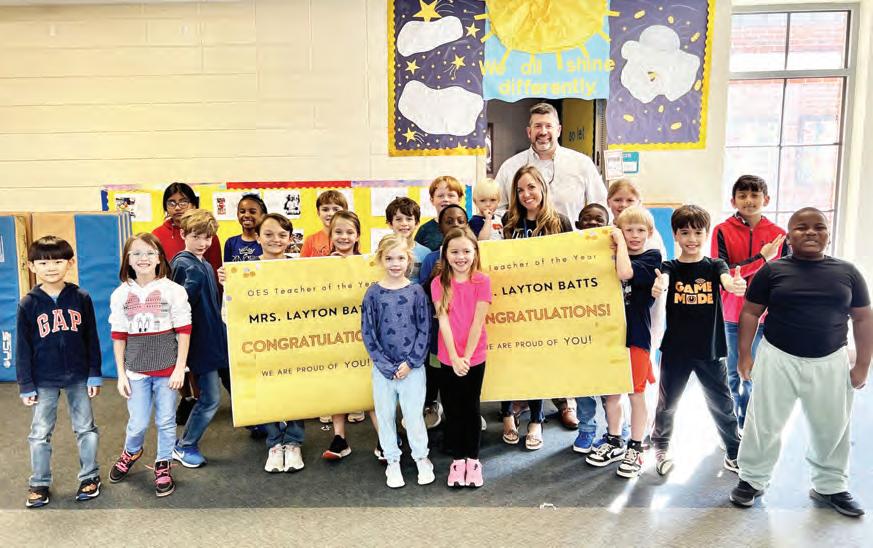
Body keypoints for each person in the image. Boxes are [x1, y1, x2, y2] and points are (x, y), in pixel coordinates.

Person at [730, 208, 872, 518]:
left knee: (832, 426)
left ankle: (831, 485)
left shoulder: (847, 272)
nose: (810, 232)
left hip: (830, 360)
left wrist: (863, 364)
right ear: (788, 237)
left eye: (818, 227)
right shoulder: (772, 271)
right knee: (763, 423)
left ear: (828, 234)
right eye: (801, 227)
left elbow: (863, 318)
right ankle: (752, 480)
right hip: (778, 357)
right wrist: (744, 355)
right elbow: (750, 312)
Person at [649, 205, 746, 476]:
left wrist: (733, 285)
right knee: (667, 403)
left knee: (722, 403)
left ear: (706, 234)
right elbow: (664, 279)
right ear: (675, 235)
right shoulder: (669, 267)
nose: (691, 239)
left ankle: (733, 450)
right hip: (676, 349)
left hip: (709, 349)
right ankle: (661, 448)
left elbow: (726, 280)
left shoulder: (715, 266)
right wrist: (660, 285)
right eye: (685, 233)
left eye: (697, 233)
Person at [17, 236, 102, 508]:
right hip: (43, 378)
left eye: (57, 261)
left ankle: (90, 476)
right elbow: (22, 347)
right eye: (43, 263)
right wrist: (26, 384)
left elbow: (92, 338)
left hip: (78, 375)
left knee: (85, 428)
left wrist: (94, 372)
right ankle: (39, 482)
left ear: (71, 262)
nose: (51, 267)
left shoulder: (81, 298)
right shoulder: (28, 303)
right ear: (32, 266)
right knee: (40, 432)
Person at [108, 233, 191, 497]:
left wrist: (179, 368)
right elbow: (119, 336)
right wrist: (121, 374)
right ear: (127, 259)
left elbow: (184, 331)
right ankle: (131, 451)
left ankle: (163, 463)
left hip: (167, 370)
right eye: (136, 253)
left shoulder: (174, 291)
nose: (143, 258)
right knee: (138, 422)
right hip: (136, 370)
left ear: (159, 258)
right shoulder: (121, 294)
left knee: (166, 421)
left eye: (149, 253)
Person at [500, 165, 573, 448]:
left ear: (542, 187)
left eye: (531, 187)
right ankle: (507, 415)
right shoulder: (509, 222)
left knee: (538, 362)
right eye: (520, 190)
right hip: (512, 304)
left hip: (545, 306)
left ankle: (536, 420)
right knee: (510, 360)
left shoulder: (560, 222)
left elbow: (572, 263)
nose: (526, 194)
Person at [584, 207, 659, 479]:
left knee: (636, 393)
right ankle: (614, 440)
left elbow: (625, 273)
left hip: (636, 337)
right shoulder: (607, 256)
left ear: (650, 233)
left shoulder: (652, 257)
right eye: (629, 230)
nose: (635, 235)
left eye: (641, 230)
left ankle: (636, 447)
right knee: (612, 393)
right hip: (609, 336)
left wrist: (618, 242)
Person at [711, 175, 787, 431]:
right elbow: (723, 272)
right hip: (731, 315)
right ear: (733, 201)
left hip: (765, 317)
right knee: (732, 373)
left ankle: (751, 423)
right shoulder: (722, 230)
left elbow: (784, 276)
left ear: (766, 199)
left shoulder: (779, 235)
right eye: (742, 195)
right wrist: (761, 259)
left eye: (755, 195)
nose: (749, 200)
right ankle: (733, 425)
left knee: (756, 373)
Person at [361, 234, 434, 488]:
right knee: (385, 416)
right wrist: (385, 366)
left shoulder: (416, 292)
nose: (395, 263)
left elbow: (424, 330)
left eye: (400, 258)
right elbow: (368, 333)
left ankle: (421, 457)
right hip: (383, 371)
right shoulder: (373, 294)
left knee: (413, 417)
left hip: (412, 369)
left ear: (409, 260)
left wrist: (411, 363)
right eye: (389, 258)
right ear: (380, 259)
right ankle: (392, 461)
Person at [152, 182, 223, 423]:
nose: (178, 207)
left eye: (183, 201)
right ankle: (189, 400)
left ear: (192, 204)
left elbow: (213, 267)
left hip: (206, 315)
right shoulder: (159, 236)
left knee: (203, 364)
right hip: (179, 314)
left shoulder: (206, 241)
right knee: (183, 360)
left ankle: (203, 400)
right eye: (172, 202)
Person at [431, 227, 491, 487]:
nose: (461, 257)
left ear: (475, 252)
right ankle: (457, 461)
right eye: (454, 252)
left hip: (474, 356)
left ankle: (473, 460)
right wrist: (454, 357)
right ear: (445, 253)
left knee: (471, 408)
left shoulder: (482, 281)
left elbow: (478, 322)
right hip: (448, 357)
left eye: (466, 251)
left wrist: (466, 356)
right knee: (453, 409)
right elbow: (443, 321)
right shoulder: (438, 283)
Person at [321, 211, 382, 460]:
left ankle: (384, 437)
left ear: (358, 235)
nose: (344, 237)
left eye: (349, 232)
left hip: (364, 334)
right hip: (335, 335)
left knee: (369, 385)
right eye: (338, 232)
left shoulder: (368, 264)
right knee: (339, 383)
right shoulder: (319, 265)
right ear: (330, 234)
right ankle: (339, 438)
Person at [170, 209, 227, 468]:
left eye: (208, 237)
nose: (203, 243)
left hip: (214, 338)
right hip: (199, 342)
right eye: (196, 236)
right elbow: (179, 306)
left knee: (234, 383)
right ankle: (185, 445)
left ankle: (259, 424)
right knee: (210, 398)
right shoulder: (183, 264)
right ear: (183, 234)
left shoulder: (203, 263)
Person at [251, 214, 307, 473]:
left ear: (290, 238)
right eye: (269, 234)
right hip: (261, 343)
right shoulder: (245, 271)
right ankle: (274, 442)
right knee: (268, 390)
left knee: (295, 389)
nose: (276, 239)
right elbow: (230, 313)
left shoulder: (300, 269)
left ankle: (293, 442)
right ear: (258, 237)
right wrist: (229, 286)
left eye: (282, 235)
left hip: (294, 341)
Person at [495, 102, 606, 225]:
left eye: (548, 126)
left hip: (570, 237)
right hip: (525, 237)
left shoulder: (582, 163)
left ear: (558, 130)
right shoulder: (509, 167)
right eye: (538, 126)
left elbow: (602, 207)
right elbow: (496, 210)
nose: (543, 132)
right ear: (529, 132)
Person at [416, 204, 471, 431]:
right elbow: (421, 295)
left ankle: (468, 411)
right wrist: (432, 277)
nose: (455, 225)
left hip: (466, 329)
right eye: (449, 221)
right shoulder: (432, 259)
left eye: (460, 220)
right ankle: (435, 405)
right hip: (439, 330)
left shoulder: (473, 256)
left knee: (465, 372)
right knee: (439, 371)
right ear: (440, 227)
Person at [385, 196, 431, 281]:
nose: (404, 223)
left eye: (409, 219)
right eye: (398, 219)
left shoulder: (426, 253)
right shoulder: (383, 251)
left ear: (417, 223)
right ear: (390, 224)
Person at [414, 175, 465, 251]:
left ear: (459, 199)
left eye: (451, 195)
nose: (446, 199)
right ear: (432, 200)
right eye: (440, 196)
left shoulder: (467, 227)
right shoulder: (424, 230)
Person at [300, 190, 348, 258]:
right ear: (318, 212)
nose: (330, 214)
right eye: (325, 210)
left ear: (345, 212)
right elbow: (302, 263)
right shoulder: (310, 240)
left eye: (336, 209)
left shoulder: (348, 239)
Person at [224, 193, 268, 262]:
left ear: (263, 216)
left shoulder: (267, 242)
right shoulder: (230, 243)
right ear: (237, 214)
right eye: (242, 212)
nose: (246, 215)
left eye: (252, 212)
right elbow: (227, 267)